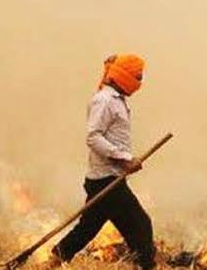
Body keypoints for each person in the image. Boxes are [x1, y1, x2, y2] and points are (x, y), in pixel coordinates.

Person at [48, 54, 156, 269]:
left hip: (106, 179)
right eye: (138, 77)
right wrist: (125, 158)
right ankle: (146, 264)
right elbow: (93, 137)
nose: (140, 83)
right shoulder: (105, 101)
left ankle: (54, 260)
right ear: (124, 77)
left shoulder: (115, 99)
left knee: (88, 228)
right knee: (141, 226)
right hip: (106, 181)